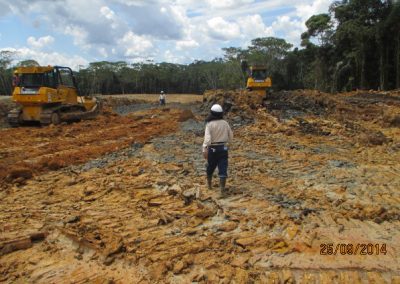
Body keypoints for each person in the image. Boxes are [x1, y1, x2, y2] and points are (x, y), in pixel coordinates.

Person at [202, 104, 233, 196]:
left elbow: (207, 139)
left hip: (213, 148)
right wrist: (228, 144)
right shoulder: (225, 123)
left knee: (210, 166)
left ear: (211, 113)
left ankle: (209, 185)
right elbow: (231, 136)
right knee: (223, 167)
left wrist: (204, 149)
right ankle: (222, 190)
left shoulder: (209, 124)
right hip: (223, 148)